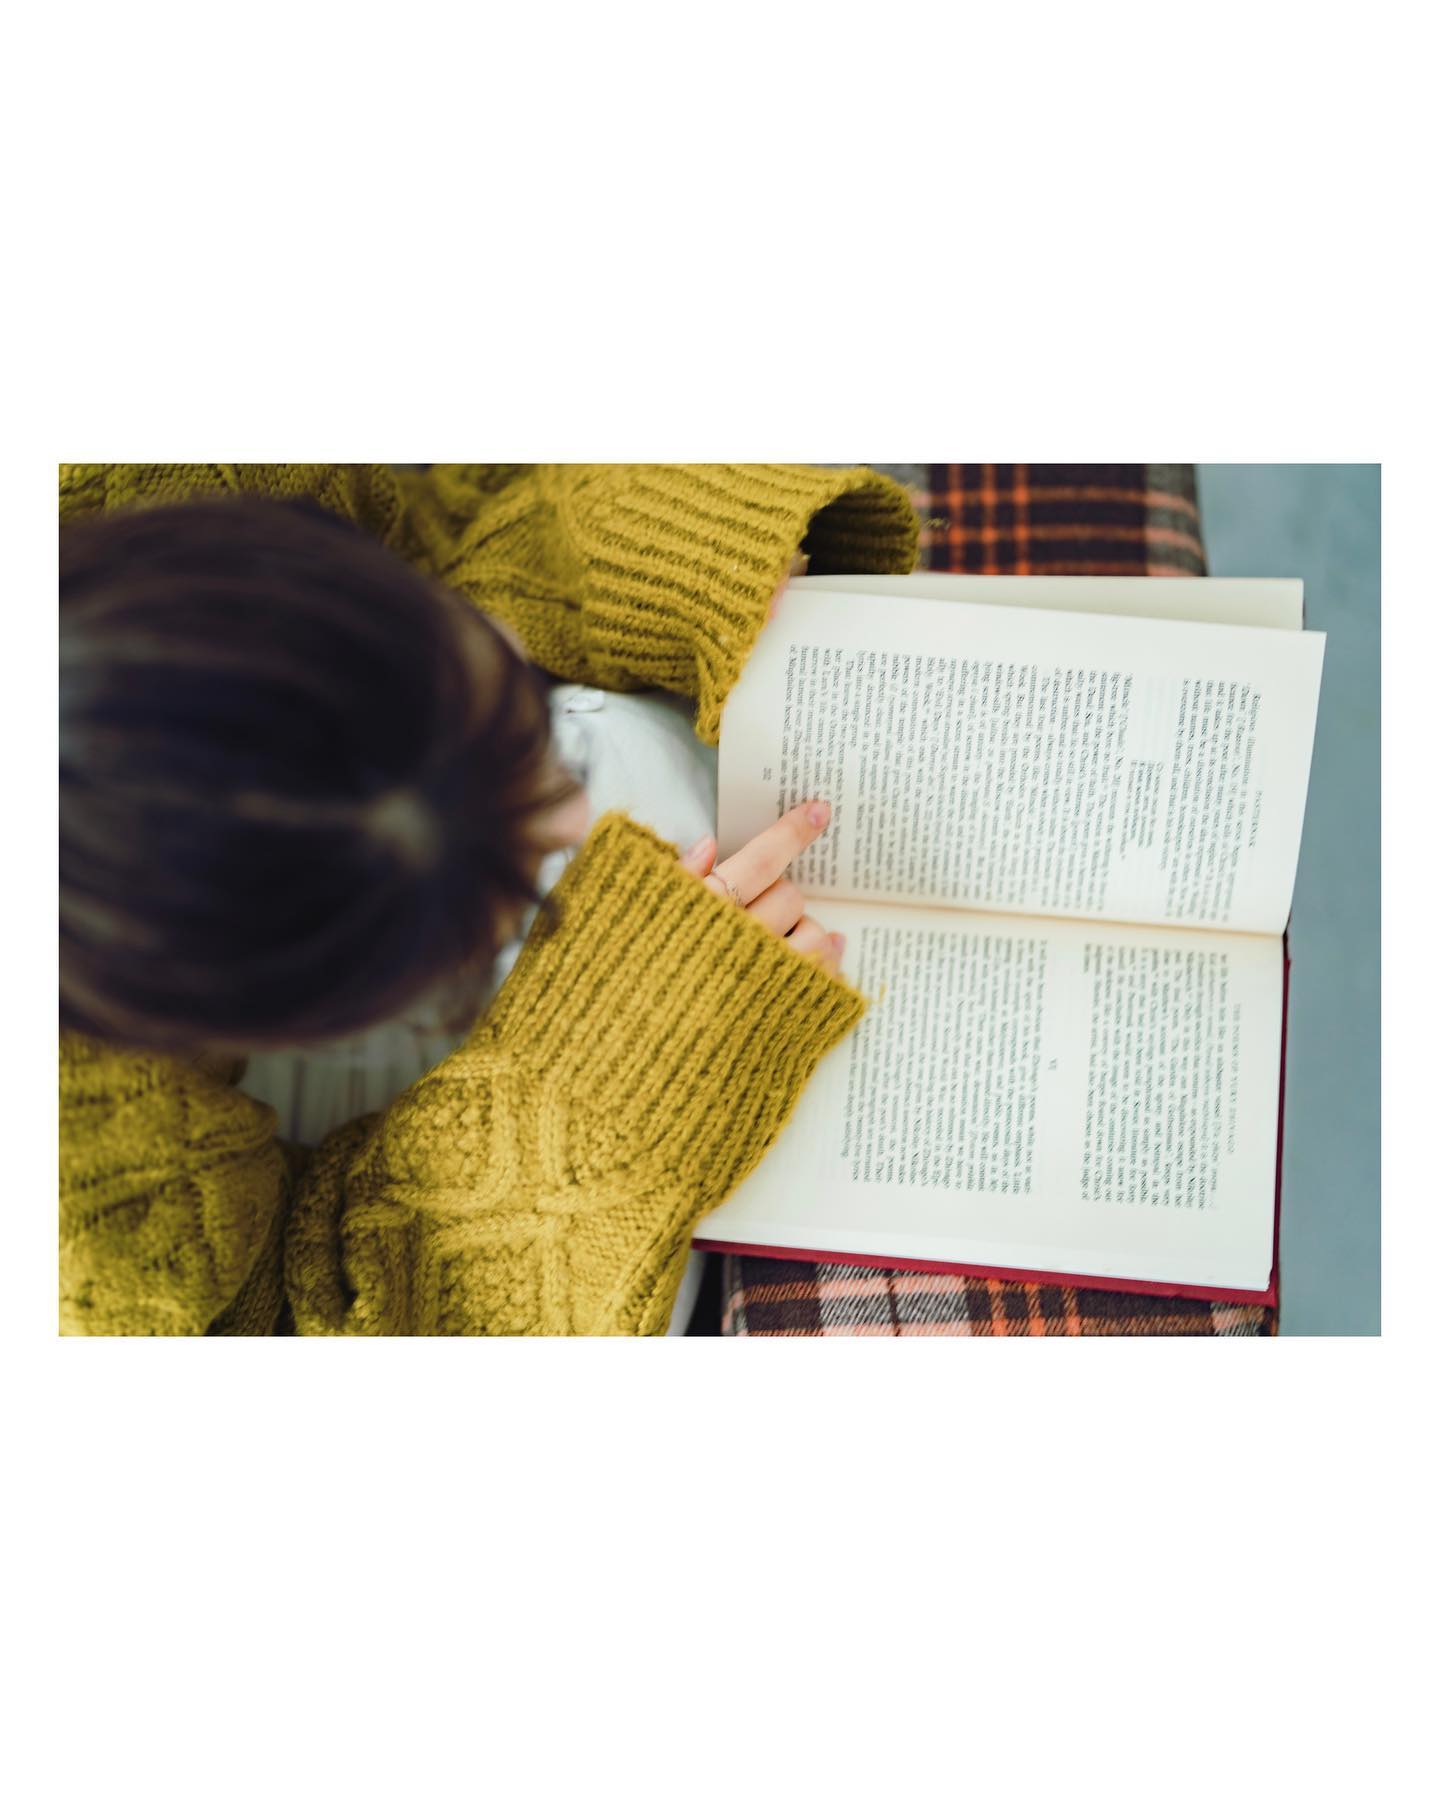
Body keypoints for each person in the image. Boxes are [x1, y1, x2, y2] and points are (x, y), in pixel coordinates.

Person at [59, 464, 919, 1334]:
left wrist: (655, 562)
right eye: (521, 853)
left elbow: (443, 494)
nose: (579, 818)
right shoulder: (92, 1246)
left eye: (523, 731)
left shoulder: (165, 466)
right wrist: (603, 1092)